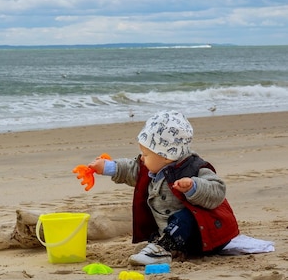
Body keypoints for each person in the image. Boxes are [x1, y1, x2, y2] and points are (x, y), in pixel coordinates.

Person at [87, 110, 239, 266]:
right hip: (173, 235)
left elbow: (217, 191)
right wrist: (107, 167)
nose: (142, 158)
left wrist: (194, 187)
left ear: (166, 155)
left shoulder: (194, 168)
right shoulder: (153, 167)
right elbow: (132, 169)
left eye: (146, 154)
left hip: (203, 237)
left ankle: (163, 250)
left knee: (185, 217)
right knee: (166, 221)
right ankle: (164, 244)